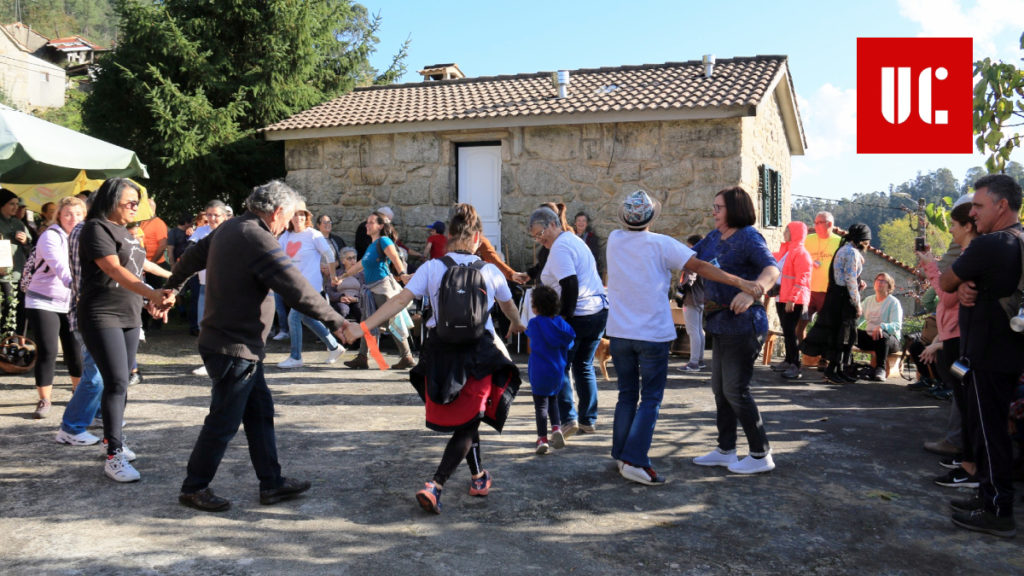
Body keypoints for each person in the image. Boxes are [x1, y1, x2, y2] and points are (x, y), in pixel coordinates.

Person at [162, 180, 349, 512]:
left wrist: (171, 287)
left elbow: (191, 258)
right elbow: (296, 287)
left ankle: (272, 483)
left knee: (260, 413)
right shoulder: (256, 237)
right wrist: (338, 322)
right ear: (276, 212)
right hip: (233, 346)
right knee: (223, 421)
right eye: (288, 217)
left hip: (237, 344)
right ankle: (194, 487)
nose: (288, 224)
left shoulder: (231, 228)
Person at [340, 203, 525, 515]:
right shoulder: (492, 271)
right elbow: (508, 308)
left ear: (449, 236)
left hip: (442, 354)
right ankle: (435, 485)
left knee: (469, 418)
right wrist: (518, 324)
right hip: (480, 354)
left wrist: (362, 329)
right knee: (468, 423)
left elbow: (398, 301)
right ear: (477, 237)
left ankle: (479, 477)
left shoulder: (432, 269)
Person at [609, 190, 764, 484]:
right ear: (653, 218)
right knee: (651, 399)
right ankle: (635, 459)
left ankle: (620, 453)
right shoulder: (662, 244)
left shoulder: (615, 240)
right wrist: (740, 281)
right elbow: (701, 267)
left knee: (626, 396)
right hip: (652, 335)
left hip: (619, 332)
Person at [939, 174, 1024, 538]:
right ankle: (987, 496)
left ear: (1001, 206)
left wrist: (961, 282)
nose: (972, 213)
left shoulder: (993, 244)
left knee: (990, 434)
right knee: (992, 431)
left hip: (989, 356)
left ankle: (997, 510)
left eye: (978, 205)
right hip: (1004, 355)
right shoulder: (1018, 241)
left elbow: (945, 282)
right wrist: (970, 285)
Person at [78, 178, 174, 483]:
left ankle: (111, 439)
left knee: (122, 382)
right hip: (101, 314)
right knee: (117, 381)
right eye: (130, 202)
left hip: (130, 314)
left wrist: (149, 302)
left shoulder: (126, 232)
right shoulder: (96, 228)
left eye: (137, 202)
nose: (136, 207)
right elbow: (113, 270)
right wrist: (152, 293)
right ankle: (114, 456)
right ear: (111, 201)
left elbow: (134, 269)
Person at [691, 186, 780, 475]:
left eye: (719, 207)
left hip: (744, 325)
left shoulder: (749, 237)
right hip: (720, 324)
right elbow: (690, 256)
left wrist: (754, 293)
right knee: (720, 390)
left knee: (735, 390)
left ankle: (760, 454)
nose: (713, 211)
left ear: (735, 209)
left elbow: (772, 270)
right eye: (714, 206)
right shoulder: (713, 237)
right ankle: (726, 450)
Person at [528, 204, 607, 437]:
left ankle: (569, 418)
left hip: (579, 314)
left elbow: (570, 284)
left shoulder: (561, 247)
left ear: (553, 224)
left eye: (540, 234)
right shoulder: (572, 241)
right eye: (535, 237)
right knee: (584, 365)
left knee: (560, 366)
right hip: (597, 311)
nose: (539, 239)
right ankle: (588, 419)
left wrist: (563, 318)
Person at [917, 194, 979, 486]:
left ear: (968, 226)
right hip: (952, 338)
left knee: (965, 396)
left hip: (958, 341)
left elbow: (947, 296)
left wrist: (931, 267)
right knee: (961, 393)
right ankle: (965, 455)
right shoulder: (968, 256)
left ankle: (969, 460)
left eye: (954, 225)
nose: (950, 230)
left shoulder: (971, 258)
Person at [25, 197, 85, 419]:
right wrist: (80, 289)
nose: (73, 219)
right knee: (49, 350)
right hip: (42, 299)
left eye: (78, 214)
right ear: (59, 215)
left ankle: (79, 395)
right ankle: (44, 399)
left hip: (71, 300)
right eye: (68, 214)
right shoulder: (50, 236)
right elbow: (61, 267)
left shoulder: (84, 237)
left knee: (75, 352)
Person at [340, 210, 415, 370]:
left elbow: (394, 257)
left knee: (393, 322)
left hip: (383, 290)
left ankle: (407, 356)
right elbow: (360, 265)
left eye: (371, 222)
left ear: (381, 226)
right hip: (371, 292)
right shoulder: (371, 247)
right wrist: (343, 276)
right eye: (367, 222)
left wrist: (402, 274)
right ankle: (362, 357)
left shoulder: (384, 241)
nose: (367, 225)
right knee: (366, 324)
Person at [276, 200, 345, 369]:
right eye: (295, 214)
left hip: (310, 287)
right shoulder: (285, 236)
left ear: (306, 217)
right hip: (294, 286)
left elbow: (329, 255)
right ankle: (335, 347)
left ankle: (295, 357)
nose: (298, 217)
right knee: (306, 318)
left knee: (293, 317)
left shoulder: (313, 234)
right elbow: (277, 258)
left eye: (302, 214)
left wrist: (333, 276)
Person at [803, 223, 871, 384]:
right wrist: (858, 303)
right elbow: (850, 280)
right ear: (862, 240)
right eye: (867, 241)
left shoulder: (843, 249)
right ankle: (832, 370)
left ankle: (838, 370)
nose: (868, 245)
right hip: (842, 300)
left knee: (839, 335)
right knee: (842, 336)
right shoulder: (852, 253)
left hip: (835, 297)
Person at [525, 284, 575, 455]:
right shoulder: (562, 324)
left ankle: (542, 439)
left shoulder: (534, 324)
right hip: (557, 370)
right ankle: (556, 429)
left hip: (539, 370)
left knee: (540, 406)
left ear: (535, 307)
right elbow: (570, 342)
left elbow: (530, 336)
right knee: (553, 400)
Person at [187, 200, 229, 372]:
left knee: (224, 324)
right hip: (205, 284)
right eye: (209, 215)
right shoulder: (201, 232)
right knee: (203, 324)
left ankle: (226, 359)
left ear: (225, 217)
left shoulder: (231, 232)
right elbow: (190, 251)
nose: (212, 219)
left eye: (216, 215)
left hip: (227, 286)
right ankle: (209, 361)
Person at [774, 221, 813, 380]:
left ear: (795, 233)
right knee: (787, 331)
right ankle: (788, 360)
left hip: (793, 300)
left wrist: (792, 299)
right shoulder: (787, 251)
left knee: (790, 332)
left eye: (787, 231)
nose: (784, 233)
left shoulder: (801, 253)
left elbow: (802, 278)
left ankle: (795, 366)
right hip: (782, 297)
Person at [798, 211, 842, 350]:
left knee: (826, 327)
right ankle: (802, 354)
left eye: (818, 223)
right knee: (799, 324)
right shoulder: (807, 239)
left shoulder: (840, 242)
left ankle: (823, 358)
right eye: (815, 222)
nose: (815, 225)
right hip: (807, 291)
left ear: (829, 224)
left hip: (827, 293)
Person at [855, 272, 903, 381]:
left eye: (883, 281)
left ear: (889, 286)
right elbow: (858, 319)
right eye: (877, 280)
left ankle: (880, 369)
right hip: (871, 338)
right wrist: (851, 326)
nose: (879, 283)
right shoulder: (868, 300)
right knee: (850, 332)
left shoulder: (893, 302)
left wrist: (882, 326)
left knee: (883, 335)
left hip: (889, 341)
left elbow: (897, 325)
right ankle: (845, 363)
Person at [0, 188, 31, 336]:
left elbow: (31, 247)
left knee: (21, 308)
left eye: (17, 204)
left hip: (20, 271)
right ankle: (5, 338)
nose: (15, 207)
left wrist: (25, 241)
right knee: (7, 305)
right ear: (2, 204)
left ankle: (18, 341)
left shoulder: (19, 223)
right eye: (11, 204)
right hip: (3, 274)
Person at [679, 234, 706, 372]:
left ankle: (694, 362)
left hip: (691, 299)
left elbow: (689, 279)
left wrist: (681, 285)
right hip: (701, 298)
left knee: (693, 331)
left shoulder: (694, 261)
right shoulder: (705, 259)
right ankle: (699, 360)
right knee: (699, 330)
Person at [328, 246, 363, 320]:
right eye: (349, 258)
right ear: (343, 261)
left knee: (360, 309)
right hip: (341, 300)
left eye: (354, 257)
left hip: (357, 300)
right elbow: (329, 291)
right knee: (342, 309)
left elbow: (366, 290)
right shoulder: (336, 274)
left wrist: (356, 299)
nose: (353, 261)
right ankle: (341, 331)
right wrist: (340, 297)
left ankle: (362, 330)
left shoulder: (362, 274)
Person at [574, 211, 604, 279]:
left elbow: (594, 256)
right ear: (575, 223)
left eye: (583, 221)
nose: (581, 223)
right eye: (579, 220)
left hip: (587, 270)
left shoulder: (592, 238)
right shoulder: (570, 237)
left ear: (587, 224)